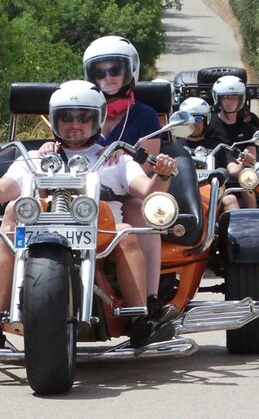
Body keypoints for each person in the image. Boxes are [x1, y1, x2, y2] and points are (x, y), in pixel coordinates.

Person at [0, 80, 178, 350]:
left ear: (98, 119)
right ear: (54, 120)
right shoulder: (34, 156)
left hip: (102, 234)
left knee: (126, 233)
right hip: (38, 232)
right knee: (13, 209)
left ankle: (141, 318)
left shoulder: (116, 157)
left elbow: (147, 190)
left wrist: (162, 174)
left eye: (83, 118)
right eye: (66, 118)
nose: (75, 125)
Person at [41, 36, 169, 318]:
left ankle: (149, 297)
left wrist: (122, 151)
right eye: (100, 71)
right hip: (75, 191)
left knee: (139, 208)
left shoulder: (145, 115)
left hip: (123, 189)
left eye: (115, 70)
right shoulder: (80, 107)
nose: (108, 77)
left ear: (129, 71)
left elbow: (145, 169)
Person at [205, 75, 259, 211]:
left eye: (234, 97)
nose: (230, 102)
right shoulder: (208, 125)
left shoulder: (248, 129)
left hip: (243, 168)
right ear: (218, 99)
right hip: (215, 168)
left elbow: (251, 158)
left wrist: (246, 162)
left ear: (240, 100)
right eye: (226, 98)